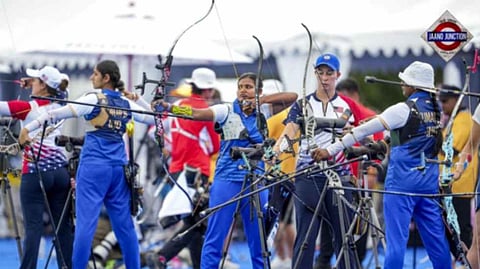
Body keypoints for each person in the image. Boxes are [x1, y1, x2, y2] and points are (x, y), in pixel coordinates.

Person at [311, 61, 452, 269]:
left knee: (396, 244)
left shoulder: (403, 109)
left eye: (405, 81)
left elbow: (361, 132)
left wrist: (329, 151)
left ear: (413, 85)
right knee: (438, 244)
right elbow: (406, 138)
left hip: (402, 186)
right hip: (428, 185)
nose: (402, 85)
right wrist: (381, 144)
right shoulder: (436, 110)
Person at [18, 59, 156, 269]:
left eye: (95, 74)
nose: (91, 77)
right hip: (119, 170)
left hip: (93, 170)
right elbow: (154, 119)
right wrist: (138, 99)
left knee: (85, 226)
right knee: (125, 227)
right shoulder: (125, 102)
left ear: (106, 78)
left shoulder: (93, 98)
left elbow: (54, 114)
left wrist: (28, 128)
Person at [153, 72, 297, 268]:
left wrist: (260, 100)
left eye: (248, 87)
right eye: (241, 87)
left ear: (258, 91)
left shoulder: (264, 110)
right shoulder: (226, 110)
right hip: (226, 180)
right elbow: (196, 114)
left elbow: (293, 98)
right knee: (215, 236)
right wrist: (169, 108)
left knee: (259, 240)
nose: (243, 91)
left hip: (255, 181)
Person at [271, 53, 362, 269]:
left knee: (344, 239)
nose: (324, 77)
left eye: (329, 72)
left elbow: (359, 134)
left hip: (338, 177)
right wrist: (276, 150)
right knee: (305, 239)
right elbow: (289, 132)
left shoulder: (347, 106)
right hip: (307, 178)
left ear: (338, 75)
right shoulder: (303, 104)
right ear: (315, 74)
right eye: (320, 72)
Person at [145, 67, 221, 269]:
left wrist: (170, 147)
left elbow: (155, 132)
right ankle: (162, 257)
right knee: (197, 221)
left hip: (176, 170)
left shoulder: (177, 105)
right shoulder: (206, 110)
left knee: (195, 220)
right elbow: (215, 146)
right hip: (197, 173)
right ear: (207, 90)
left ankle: (197, 265)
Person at [0, 66, 74, 269]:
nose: (30, 82)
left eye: (35, 80)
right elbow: (62, 87)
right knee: (63, 229)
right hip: (60, 173)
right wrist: (34, 85)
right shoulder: (63, 104)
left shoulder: (26, 108)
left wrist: (31, 90)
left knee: (33, 228)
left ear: (43, 85)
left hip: (35, 172)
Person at [315, 78, 384, 269]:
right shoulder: (336, 117)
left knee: (358, 227)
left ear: (354, 96)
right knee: (329, 223)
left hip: (360, 182)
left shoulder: (370, 118)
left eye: (345, 98)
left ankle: (356, 263)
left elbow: (377, 152)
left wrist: (368, 179)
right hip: (336, 179)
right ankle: (324, 262)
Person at [438, 84, 477, 259]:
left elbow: (452, 150)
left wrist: (430, 139)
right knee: (451, 232)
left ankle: (465, 261)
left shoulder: (464, 119)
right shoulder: (454, 120)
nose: (442, 105)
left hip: (460, 185)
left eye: (445, 101)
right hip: (449, 184)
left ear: (456, 100)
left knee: (461, 232)